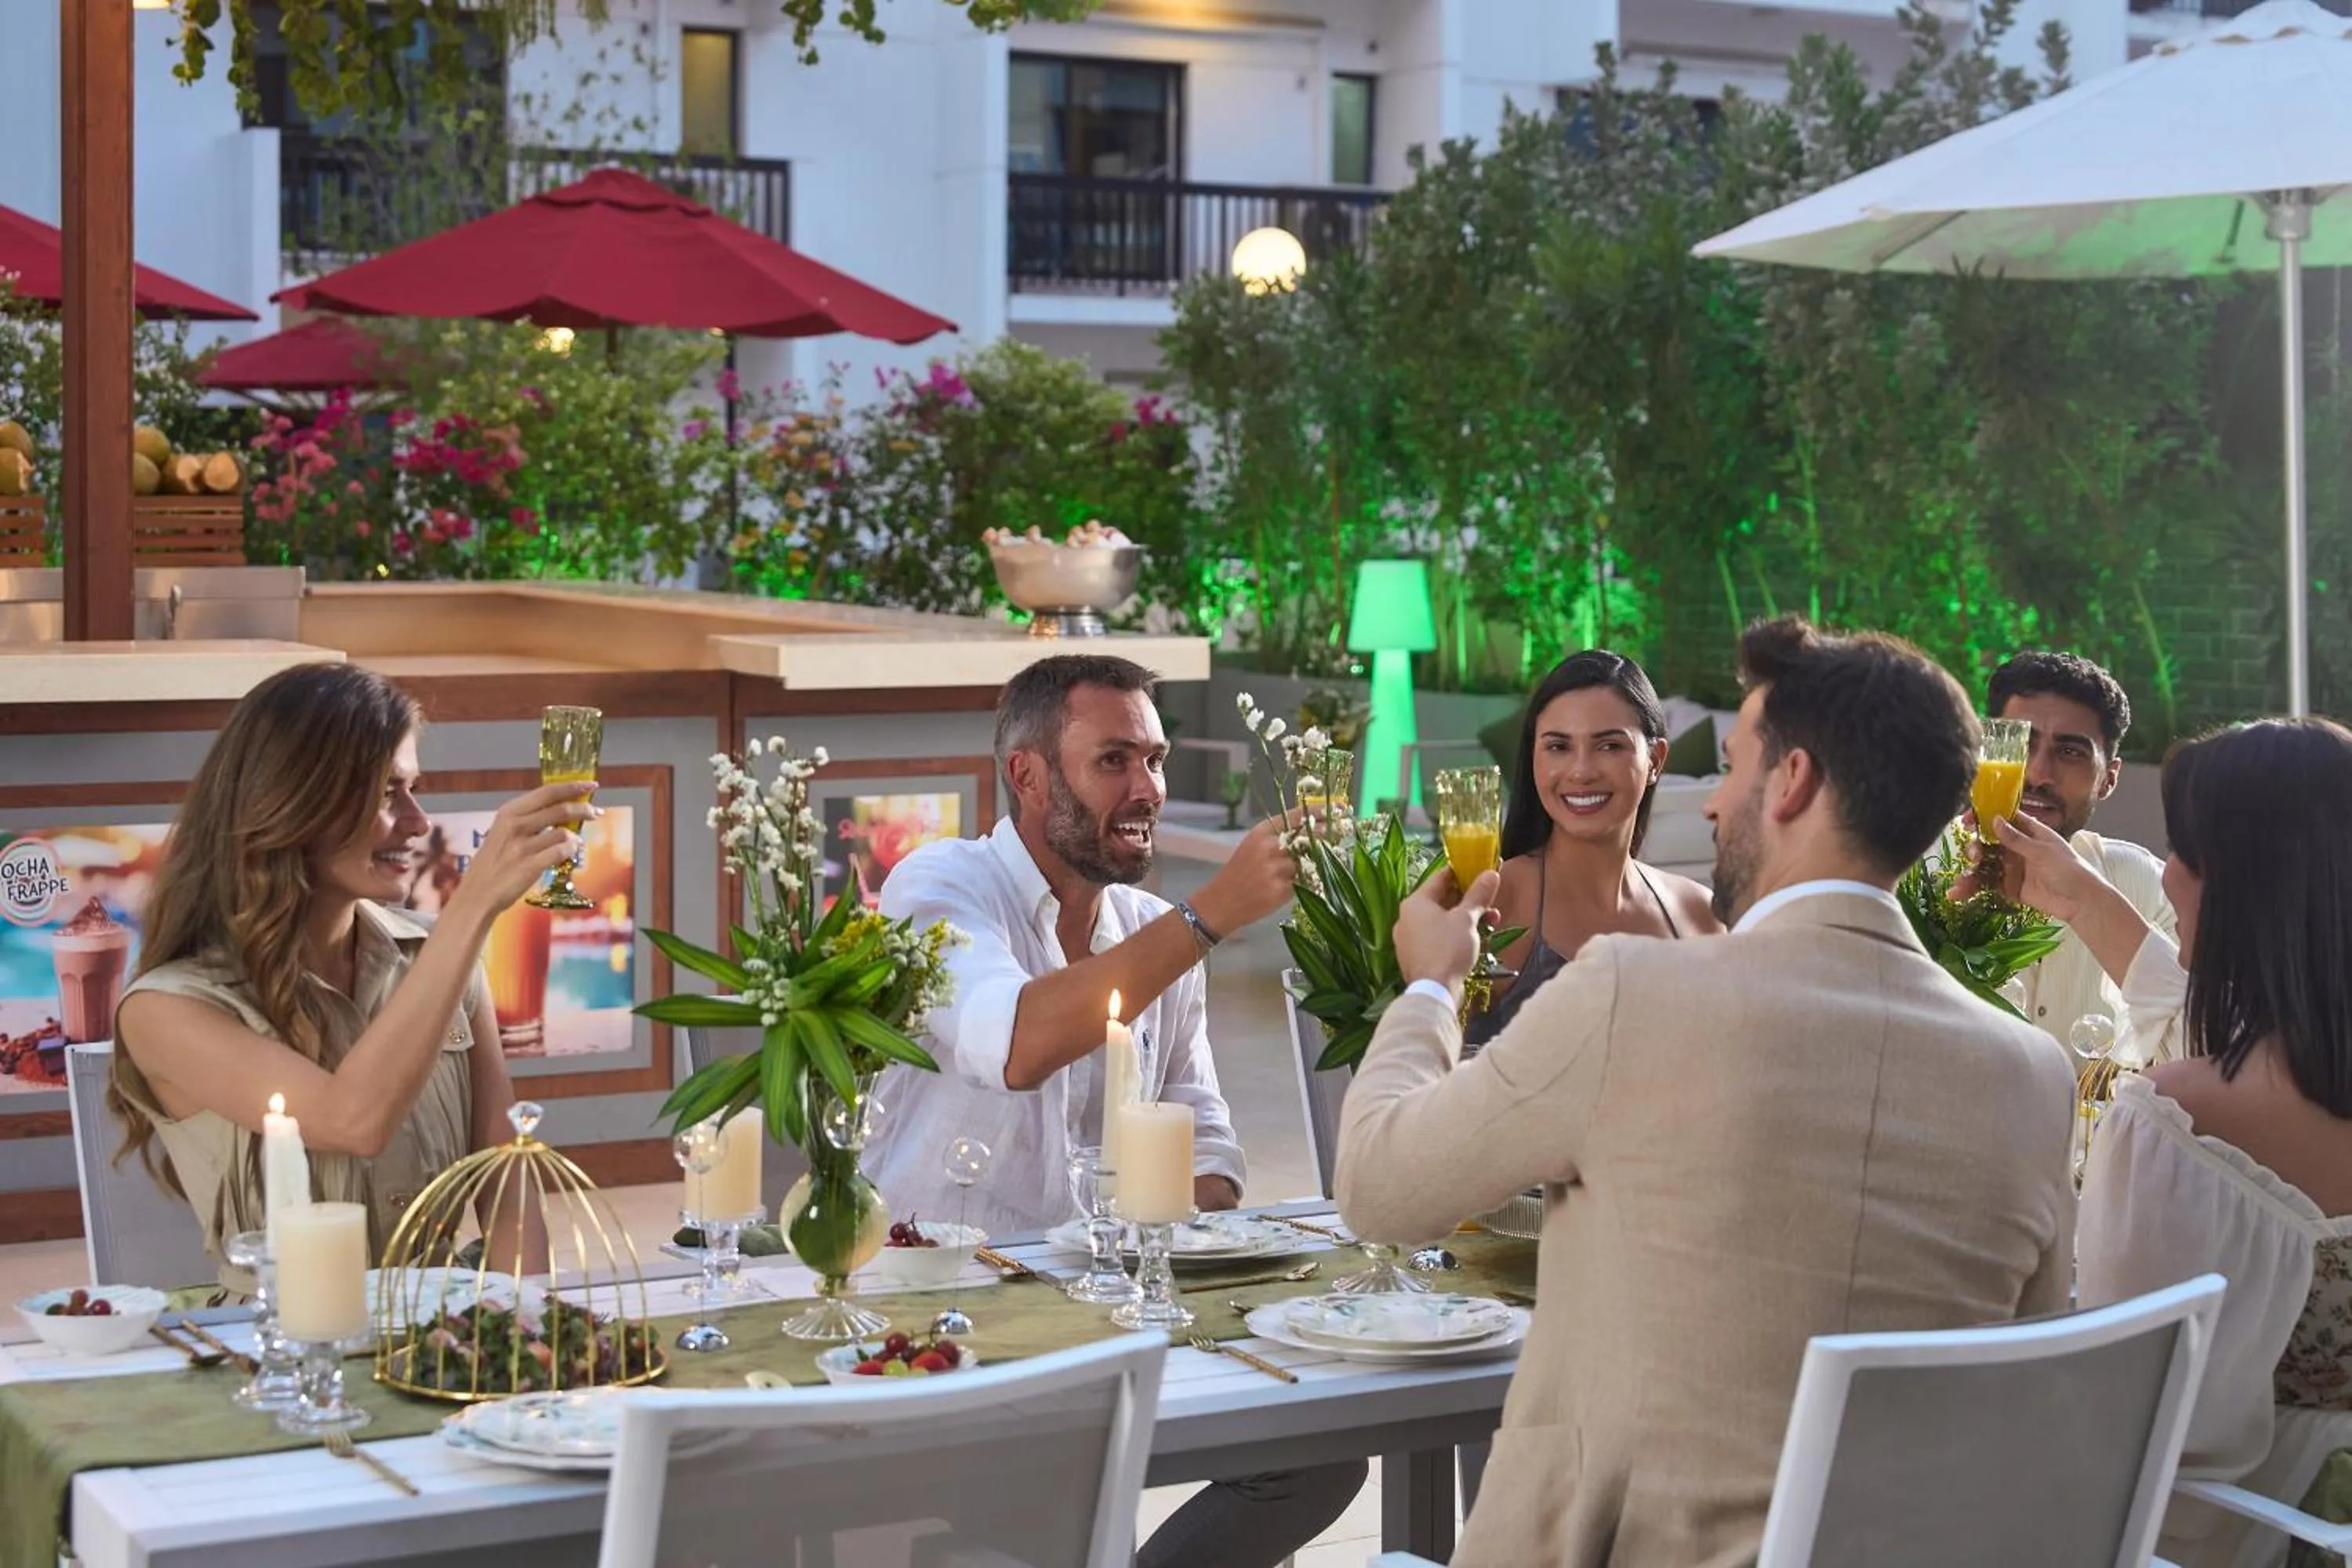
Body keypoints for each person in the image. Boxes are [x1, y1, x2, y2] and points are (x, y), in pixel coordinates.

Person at [1334, 616, 2077, 1568]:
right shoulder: (2033, 1072)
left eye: (1730, 767)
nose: (1716, 805)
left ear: (1793, 781)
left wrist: (1432, 987)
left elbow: (1379, 1189)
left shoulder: (1630, 990)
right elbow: (2032, 1387)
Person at [864, 652, 1364, 1568]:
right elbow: (1013, 1042)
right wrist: (1211, 912)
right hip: (951, 1314)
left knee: (1317, 1447)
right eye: (1114, 760)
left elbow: (1203, 1133)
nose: (1148, 788)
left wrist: (1184, 1240)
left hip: (1108, 1312)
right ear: (1028, 775)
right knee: (1062, 1518)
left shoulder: (1144, 925)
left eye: (1156, 759)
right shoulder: (938, 888)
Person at [109, 662, 591, 1292]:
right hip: (278, 1338)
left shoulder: (435, 956)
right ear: (292, 802)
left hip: (437, 1331)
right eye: (387, 793)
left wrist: (528, 1319)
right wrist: (472, 906)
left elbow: (505, 1182)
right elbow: (353, 1122)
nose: (418, 822)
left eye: (414, 788)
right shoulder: (165, 1010)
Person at [2007, 721, 2352, 1568]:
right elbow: (2223, 1024)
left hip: (2238, 1531)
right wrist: (2085, 899)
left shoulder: (2175, 1122)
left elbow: (2123, 1411)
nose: (2165, 871)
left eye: (2184, 851)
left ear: (2242, 887)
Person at [1466, 649, 1718, 1047]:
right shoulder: (1496, 902)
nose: (1581, 772)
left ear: (1656, 760)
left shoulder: (1699, 914)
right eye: (1558, 747)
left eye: (1609, 746)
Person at [1978, 652, 2178, 1059]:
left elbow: (2199, 1045)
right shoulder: (1913, 870)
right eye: (2022, 744)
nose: (2038, 774)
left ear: (2109, 779)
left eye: (2070, 752)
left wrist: (2092, 906)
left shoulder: (2150, 890)